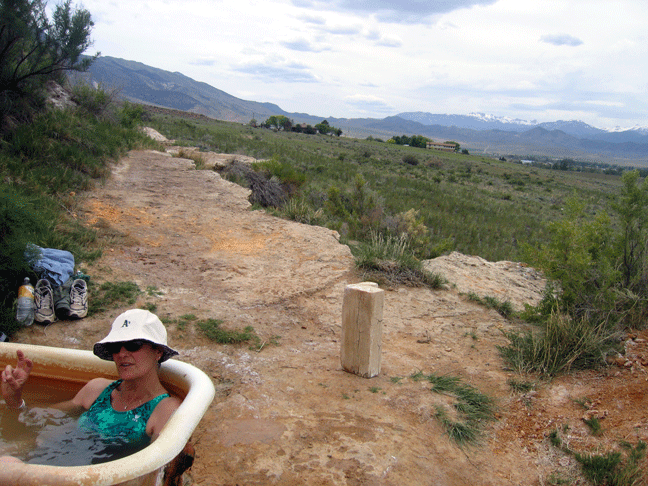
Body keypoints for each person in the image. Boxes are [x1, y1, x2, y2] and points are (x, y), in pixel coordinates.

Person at [1, 309, 191, 481]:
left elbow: (154, 473)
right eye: (116, 346)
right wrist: (15, 400)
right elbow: (42, 418)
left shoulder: (164, 409)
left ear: (158, 351)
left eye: (134, 345)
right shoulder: (97, 389)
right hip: (56, 464)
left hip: (95, 481)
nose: (122, 353)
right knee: (5, 460)